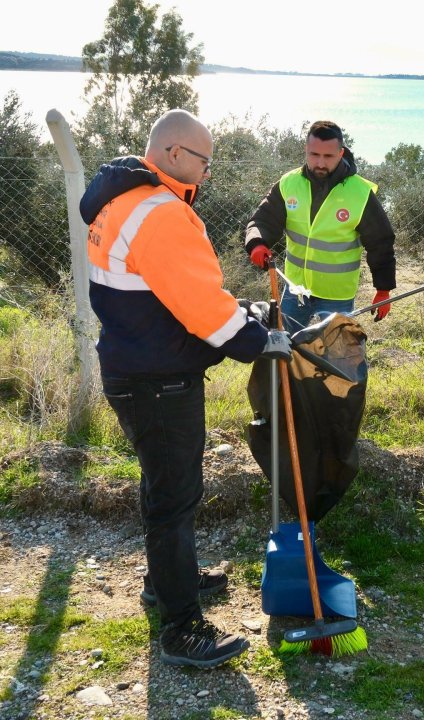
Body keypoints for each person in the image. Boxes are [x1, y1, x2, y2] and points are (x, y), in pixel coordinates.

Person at [80, 109, 292, 669]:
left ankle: (165, 580)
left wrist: (242, 314)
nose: (207, 171)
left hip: (133, 364)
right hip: (158, 380)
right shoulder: (162, 213)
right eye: (204, 160)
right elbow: (203, 312)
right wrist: (259, 340)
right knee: (175, 496)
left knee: (163, 485)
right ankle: (180, 628)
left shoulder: (120, 200)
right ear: (173, 153)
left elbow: (168, 295)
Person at [244, 120, 397, 329]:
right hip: (294, 290)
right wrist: (257, 242)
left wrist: (383, 289)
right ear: (306, 150)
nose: (321, 163)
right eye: (314, 155)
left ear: (341, 153)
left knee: (339, 357)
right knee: (287, 351)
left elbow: (381, 242)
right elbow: (263, 219)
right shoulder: (289, 184)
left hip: (337, 296)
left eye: (328, 156)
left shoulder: (360, 193)